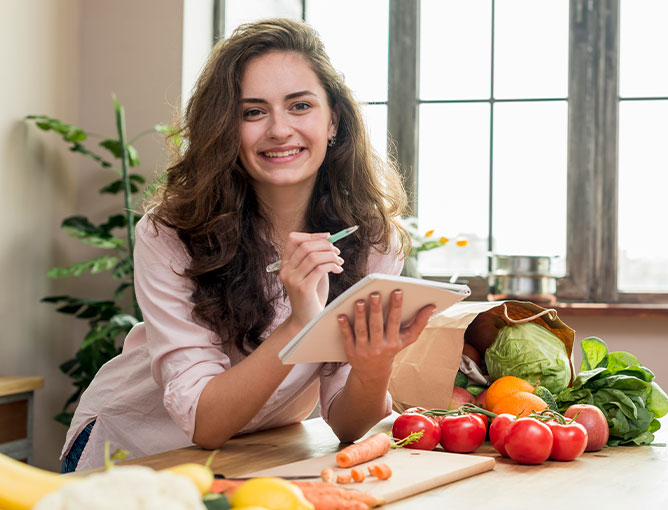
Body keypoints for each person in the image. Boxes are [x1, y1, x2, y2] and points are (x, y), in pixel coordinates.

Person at [59, 17, 434, 472]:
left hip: (248, 458)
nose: (278, 129)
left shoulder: (373, 240)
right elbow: (204, 423)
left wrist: (374, 367)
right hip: (135, 454)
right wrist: (299, 324)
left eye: (300, 106)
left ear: (332, 119)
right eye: (253, 112)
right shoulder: (170, 232)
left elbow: (351, 426)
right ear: (226, 129)